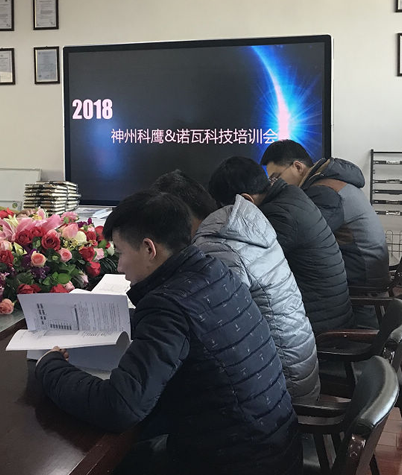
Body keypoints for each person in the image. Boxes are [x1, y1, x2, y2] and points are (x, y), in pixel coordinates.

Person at [36, 191, 301, 475]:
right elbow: (188, 327)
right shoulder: (214, 270)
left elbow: (119, 406)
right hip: (274, 447)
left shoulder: (167, 305)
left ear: (149, 249)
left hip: (233, 462)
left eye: (121, 253)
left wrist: (50, 367)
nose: (120, 266)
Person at [154, 170, 319, 400]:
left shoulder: (217, 247)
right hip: (292, 364)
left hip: (280, 385)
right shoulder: (239, 225)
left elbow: (206, 330)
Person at [208, 157, 355, 333]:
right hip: (327, 311)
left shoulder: (279, 217)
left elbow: (244, 268)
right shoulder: (290, 194)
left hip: (317, 324)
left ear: (246, 200)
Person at [261, 140, 390, 290]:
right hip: (364, 268)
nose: (274, 184)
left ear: (298, 167)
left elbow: (301, 237)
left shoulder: (324, 192)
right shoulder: (330, 183)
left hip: (360, 275)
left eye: (276, 177)